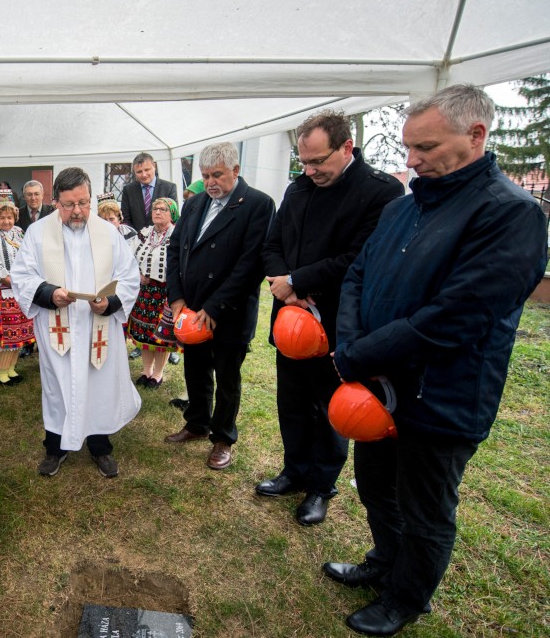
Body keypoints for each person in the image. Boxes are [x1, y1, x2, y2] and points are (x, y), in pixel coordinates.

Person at [327, 84, 547, 636]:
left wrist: (360, 354)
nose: (412, 160)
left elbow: (458, 316)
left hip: (443, 395)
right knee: (375, 485)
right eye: (408, 146)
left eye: (425, 147)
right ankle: (385, 560)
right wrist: (350, 346)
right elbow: (357, 276)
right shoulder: (402, 208)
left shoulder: (510, 214)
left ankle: (406, 597)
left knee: (424, 507)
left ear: (476, 135)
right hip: (378, 386)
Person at [258, 110, 403, 526]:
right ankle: (294, 470)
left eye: (318, 161)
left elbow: (359, 258)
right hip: (291, 319)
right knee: (291, 401)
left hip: (339, 322)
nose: (309, 171)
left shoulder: (381, 192)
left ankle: (321, 486)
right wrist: (284, 285)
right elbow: (272, 244)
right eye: (303, 162)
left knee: (329, 407)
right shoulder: (298, 189)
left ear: (346, 147)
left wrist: (297, 281)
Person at [12, 167, 141, 477]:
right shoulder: (38, 233)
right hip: (58, 326)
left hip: (98, 327)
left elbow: (129, 276)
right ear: (56, 201)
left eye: (83, 202)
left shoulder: (108, 232)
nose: (78, 211)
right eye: (69, 204)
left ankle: (100, 446)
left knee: (99, 385)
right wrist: (49, 293)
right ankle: (55, 448)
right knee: (58, 387)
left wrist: (110, 302)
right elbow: (22, 276)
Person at [164, 142, 275, 471]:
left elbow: (250, 265)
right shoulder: (195, 203)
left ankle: (223, 437)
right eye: (205, 175)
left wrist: (214, 308)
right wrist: (177, 297)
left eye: (217, 175)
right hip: (192, 306)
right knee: (195, 369)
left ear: (235, 171)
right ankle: (197, 422)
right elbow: (175, 249)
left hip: (230, 310)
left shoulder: (258, 204)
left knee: (227, 377)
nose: (210, 182)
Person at [128, 198, 180, 388]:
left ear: (171, 214)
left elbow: (181, 263)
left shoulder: (177, 235)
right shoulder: (143, 233)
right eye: (155, 208)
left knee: (161, 335)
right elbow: (128, 258)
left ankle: (158, 374)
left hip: (166, 292)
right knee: (144, 332)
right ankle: (146, 370)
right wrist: (137, 274)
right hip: (144, 292)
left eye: (163, 209)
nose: (157, 212)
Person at [0, 202, 36, 386]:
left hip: (21, 290)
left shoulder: (19, 232)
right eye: (2, 217)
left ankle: (11, 368)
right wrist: (12, 281)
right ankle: (1, 372)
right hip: (3, 291)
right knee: (6, 333)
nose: (6, 221)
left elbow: (30, 256)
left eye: (10, 217)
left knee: (19, 332)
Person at [119, 152, 177, 231]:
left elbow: (173, 216)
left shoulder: (169, 188)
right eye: (139, 172)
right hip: (135, 237)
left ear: (154, 166)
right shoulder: (128, 190)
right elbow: (125, 218)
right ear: (134, 172)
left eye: (147, 170)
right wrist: (136, 236)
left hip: (162, 236)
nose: (144, 175)